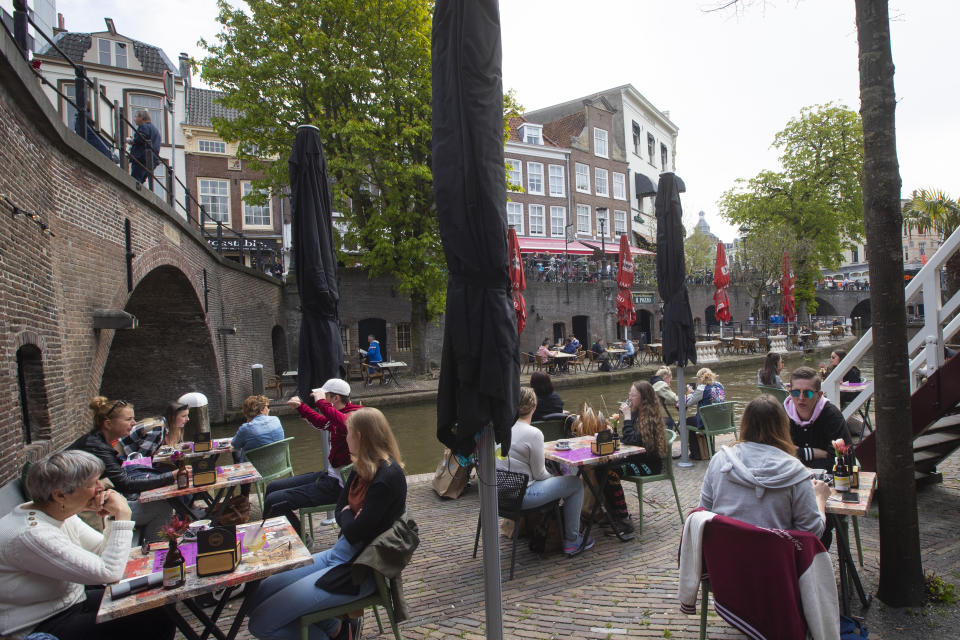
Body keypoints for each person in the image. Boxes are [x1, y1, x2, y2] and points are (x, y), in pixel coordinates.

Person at [247, 407, 406, 640]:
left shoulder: (387, 477)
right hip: (337, 555)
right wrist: (349, 516)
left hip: (357, 571)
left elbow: (353, 530)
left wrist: (347, 517)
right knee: (258, 595)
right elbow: (341, 511)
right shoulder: (360, 467)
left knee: (260, 623)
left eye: (348, 433)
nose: (344, 438)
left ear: (360, 436)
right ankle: (338, 630)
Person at [0, 450, 175, 640]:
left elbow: (101, 551)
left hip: (72, 603)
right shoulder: (31, 534)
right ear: (60, 496)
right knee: (152, 621)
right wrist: (123, 515)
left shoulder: (58, 514)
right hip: (41, 625)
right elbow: (109, 573)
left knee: (156, 602)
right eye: (92, 484)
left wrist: (112, 517)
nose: (101, 487)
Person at [699, 395, 830, 536]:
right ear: (784, 426)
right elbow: (812, 532)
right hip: (775, 556)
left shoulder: (720, 460)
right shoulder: (796, 471)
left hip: (725, 555)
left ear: (744, 424)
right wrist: (820, 498)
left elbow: (703, 512)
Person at [497, 388, 592, 555]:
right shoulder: (533, 433)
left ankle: (552, 527)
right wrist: (556, 477)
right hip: (522, 497)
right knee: (575, 484)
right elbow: (540, 474)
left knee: (561, 483)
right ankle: (572, 540)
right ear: (534, 407)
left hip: (499, 496)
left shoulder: (503, 429)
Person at [69, 397, 174, 543]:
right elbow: (125, 484)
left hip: (92, 503)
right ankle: (156, 553)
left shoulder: (96, 442)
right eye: (128, 419)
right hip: (85, 510)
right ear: (108, 424)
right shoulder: (97, 448)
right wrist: (171, 477)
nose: (134, 423)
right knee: (161, 508)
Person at [266, 379, 360, 535]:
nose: (318, 400)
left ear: (335, 398)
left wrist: (322, 403)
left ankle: (297, 540)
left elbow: (345, 424)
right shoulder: (340, 415)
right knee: (272, 488)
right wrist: (301, 407)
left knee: (273, 500)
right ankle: (295, 534)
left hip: (340, 486)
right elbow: (322, 422)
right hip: (330, 477)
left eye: (325, 395)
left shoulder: (356, 416)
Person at [785, 367, 853, 472]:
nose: (801, 398)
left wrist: (796, 454)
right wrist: (811, 453)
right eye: (796, 393)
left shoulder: (832, 416)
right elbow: (773, 453)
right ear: (790, 393)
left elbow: (845, 460)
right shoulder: (781, 416)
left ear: (819, 395)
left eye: (808, 393)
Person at [120, 400, 190, 461]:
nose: (187, 419)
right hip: (120, 456)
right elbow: (142, 458)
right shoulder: (157, 429)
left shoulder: (161, 424)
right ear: (172, 417)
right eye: (183, 416)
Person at [684, 368, 725, 459]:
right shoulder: (719, 385)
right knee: (697, 418)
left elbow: (688, 402)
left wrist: (690, 393)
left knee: (689, 421)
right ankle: (708, 449)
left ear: (699, 378)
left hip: (708, 423)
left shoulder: (702, 388)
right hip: (722, 421)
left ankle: (696, 453)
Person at [232, 395, 285, 461]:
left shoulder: (246, 428)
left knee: (236, 451)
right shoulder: (276, 419)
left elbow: (235, 444)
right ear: (261, 410)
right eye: (267, 407)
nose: (268, 409)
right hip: (278, 465)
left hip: (255, 468)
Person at [129, 110, 161, 184]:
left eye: (135, 117)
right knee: (140, 181)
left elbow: (141, 138)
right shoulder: (155, 130)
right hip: (151, 160)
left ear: (141, 118)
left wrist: (131, 141)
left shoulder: (143, 126)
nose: (134, 119)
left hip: (141, 158)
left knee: (135, 180)